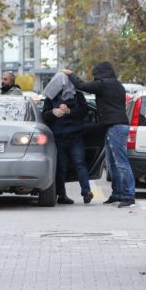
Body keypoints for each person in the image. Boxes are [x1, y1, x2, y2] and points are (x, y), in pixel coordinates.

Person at [63, 63, 136, 208]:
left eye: (95, 75)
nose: (94, 78)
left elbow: (81, 85)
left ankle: (128, 196)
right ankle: (117, 194)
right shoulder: (117, 85)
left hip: (116, 126)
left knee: (121, 162)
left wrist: (70, 74)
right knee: (112, 163)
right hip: (114, 126)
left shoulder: (104, 84)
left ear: (101, 74)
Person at [42, 73, 94, 205]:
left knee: (80, 163)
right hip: (58, 137)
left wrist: (69, 111)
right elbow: (45, 115)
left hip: (75, 135)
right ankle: (62, 195)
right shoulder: (51, 97)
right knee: (61, 167)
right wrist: (53, 112)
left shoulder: (77, 95)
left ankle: (86, 192)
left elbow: (84, 111)